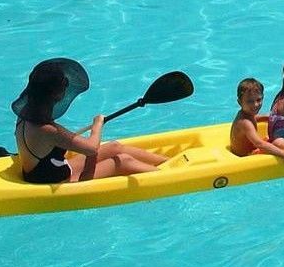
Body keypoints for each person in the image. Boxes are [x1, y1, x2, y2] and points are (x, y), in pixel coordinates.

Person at [11, 58, 167, 183]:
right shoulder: (47, 130)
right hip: (57, 180)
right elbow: (91, 148)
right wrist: (98, 124)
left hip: (48, 171)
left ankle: (168, 162)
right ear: (56, 94)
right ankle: (169, 175)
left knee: (115, 146)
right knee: (122, 160)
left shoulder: (25, 115)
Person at [227, 78, 284, 166]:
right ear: (239, 102)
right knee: (279, 143)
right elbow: (259, 144)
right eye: (250, 101)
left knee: (276, 135)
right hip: (246, 157)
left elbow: (255, 118)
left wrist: (275, 117)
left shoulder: (246, 114)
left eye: (258, 100)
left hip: (249, 150)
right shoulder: (245, 123)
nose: (255, 105)